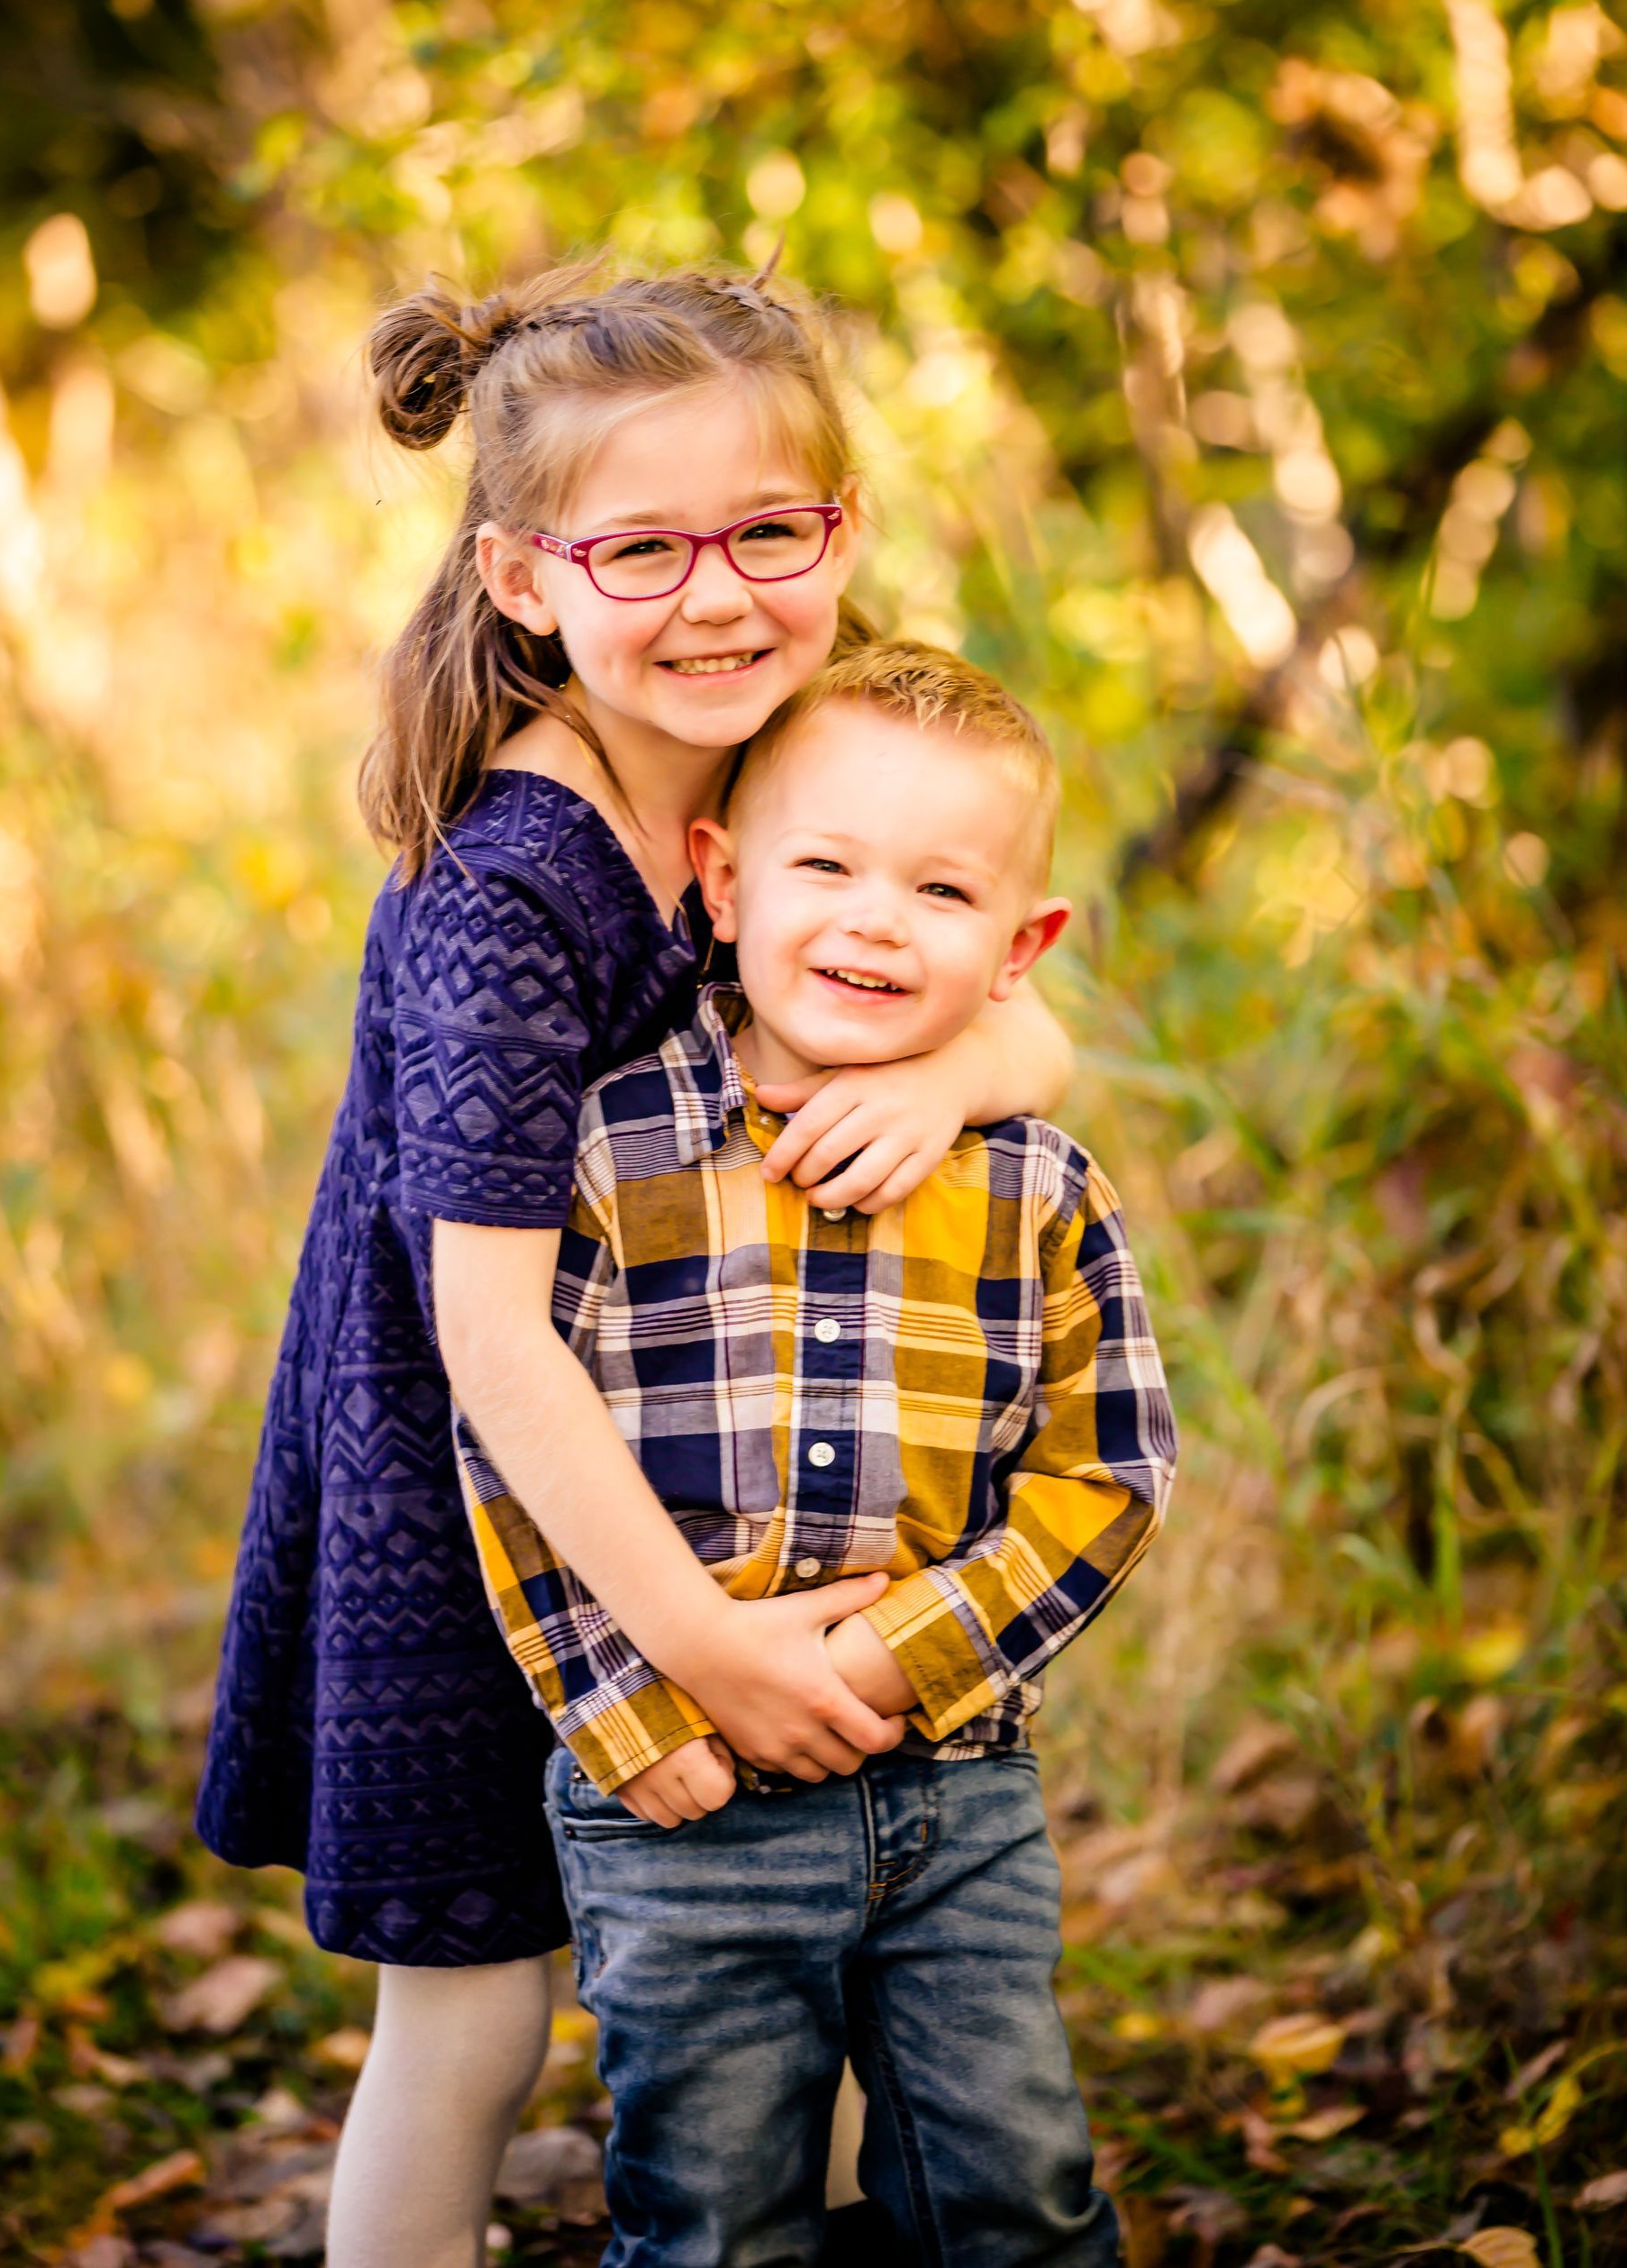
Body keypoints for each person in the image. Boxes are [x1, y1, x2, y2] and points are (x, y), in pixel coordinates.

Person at [194, 261, 1077, 2268]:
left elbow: (1020, 1005)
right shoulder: (509, 895)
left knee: (820, 1945)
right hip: (472, 1493)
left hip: (736, 1458)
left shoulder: (811, 762)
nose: (719, 596)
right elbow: (484, 1334)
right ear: (524, 577)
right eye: (644, 547)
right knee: (482, 2006)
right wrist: (710, 1645)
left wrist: (959, 1071)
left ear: (839, 530)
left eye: (772, 532)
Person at [460, 640, 1177, 2268]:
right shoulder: (611, 1149)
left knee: (1015, 2194)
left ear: (1022, 945)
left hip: (960, 1794)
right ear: (720, 877)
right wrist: (627, 1712)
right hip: (684, 1801)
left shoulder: (1036, 1187)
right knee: (712, 2218)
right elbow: (510, 1446)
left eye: (941, 889)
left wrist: (891, 1655)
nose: (872, 917)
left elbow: (1110, 1470)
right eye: (826, 866)